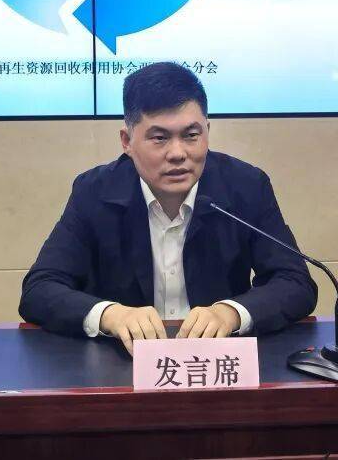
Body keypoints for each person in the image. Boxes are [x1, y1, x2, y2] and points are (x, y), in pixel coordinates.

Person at [19, 62, 317, 354]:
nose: (177, 153)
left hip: (218, 362)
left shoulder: (245, 186)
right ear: (127, 141)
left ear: (207, 131)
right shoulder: (94, 192)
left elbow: (295, 283)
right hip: (122, 363)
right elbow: (40, 289)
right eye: (160, 138)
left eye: (191, 135)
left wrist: (231, 313)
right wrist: (112, 315)